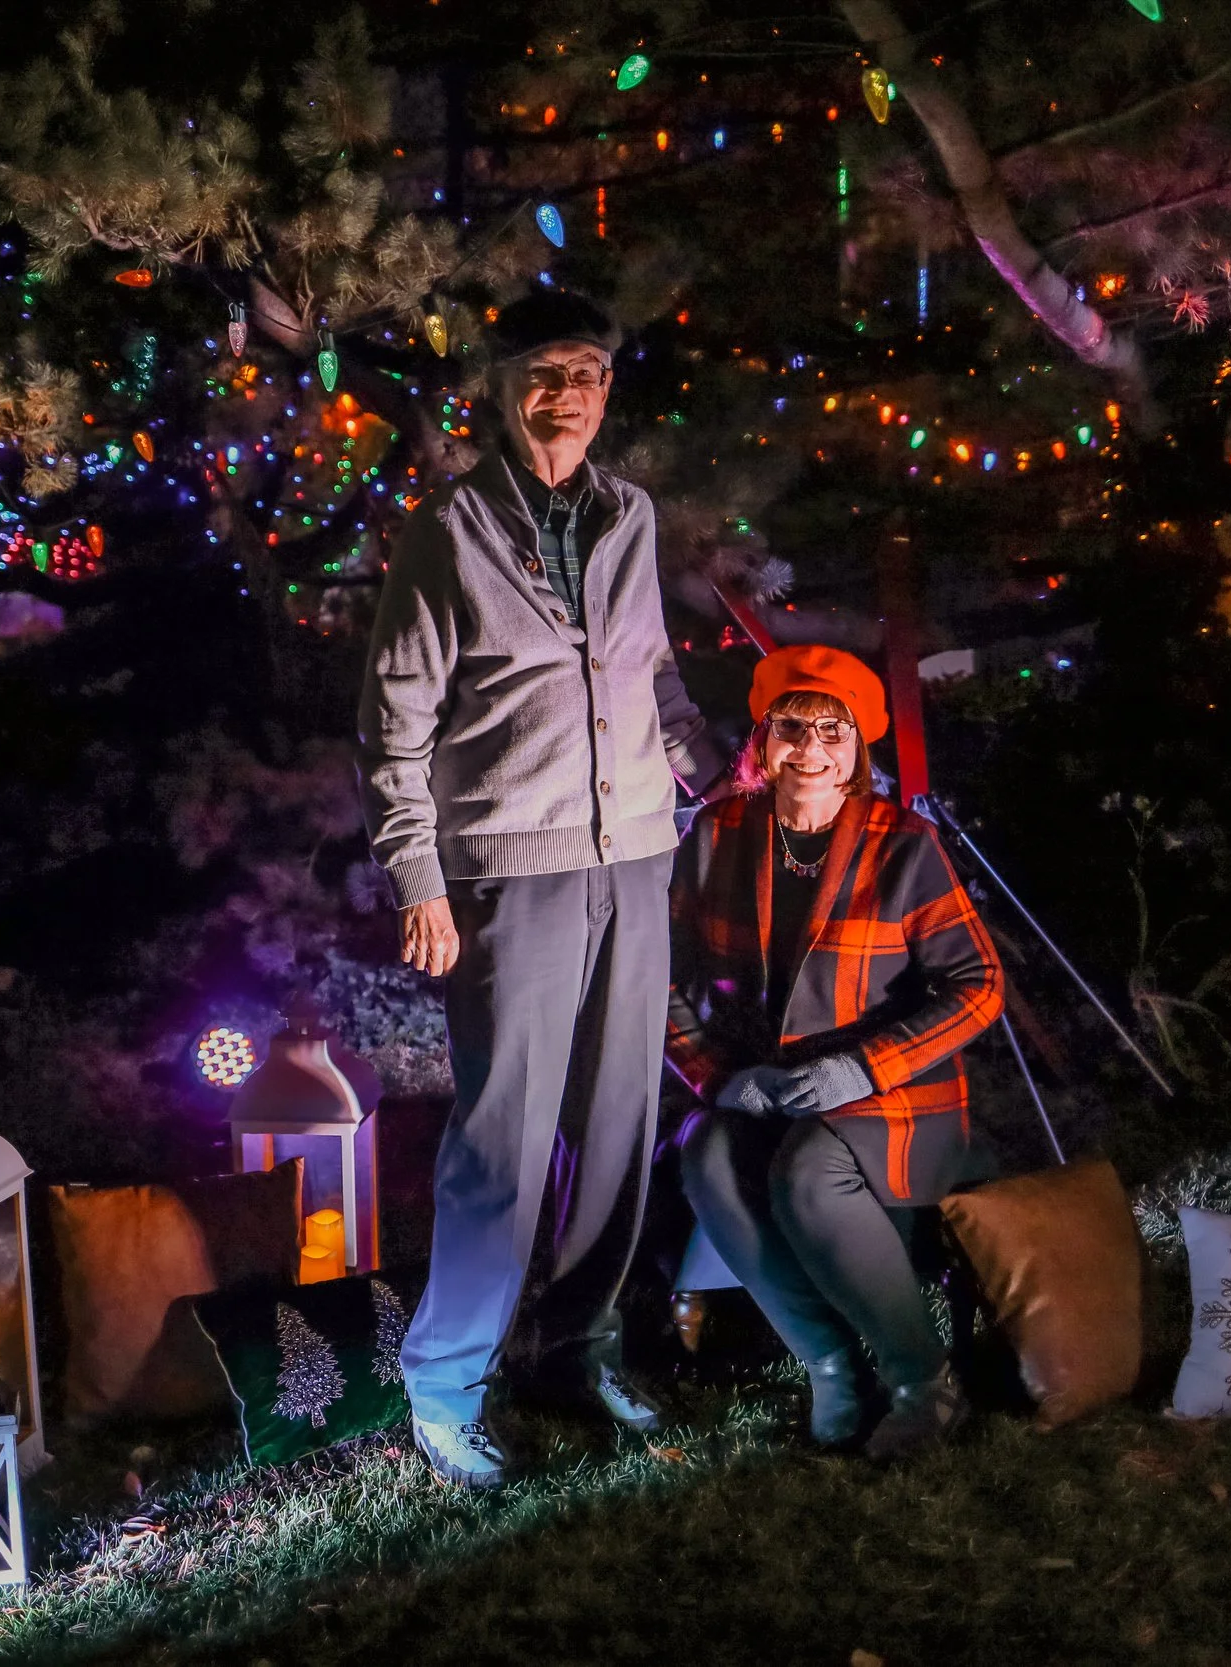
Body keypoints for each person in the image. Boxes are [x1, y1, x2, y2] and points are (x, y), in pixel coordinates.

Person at [358, 290, 732, 1489]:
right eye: (543, 372)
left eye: (585, 372)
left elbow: (653, 670)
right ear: (504, 387)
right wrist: (418, 875)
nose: (565, 393)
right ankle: (447, 1381)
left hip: (634, 855)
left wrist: (706, 768)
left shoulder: (629, 516)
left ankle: (567, 1346)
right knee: (502, 1135)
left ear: (606, 391)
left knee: (618, 1123)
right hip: (507, 871)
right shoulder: (450, 530)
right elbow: (393, 726)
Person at [666, 645, 1004, 1460]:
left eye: (833, 730)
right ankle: (830, 1364)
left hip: (891, 1090)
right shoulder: (718, 835)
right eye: (792, 727)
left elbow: (979, 983)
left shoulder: (904, 845)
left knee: (807, 1172)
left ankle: (925, 1381)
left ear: (857, 750)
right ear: (762, 737)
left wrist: (860, 1068)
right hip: (767, 1085)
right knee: (706, 1151)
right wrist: (717, 1074)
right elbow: (661, 978)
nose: (810, 748)